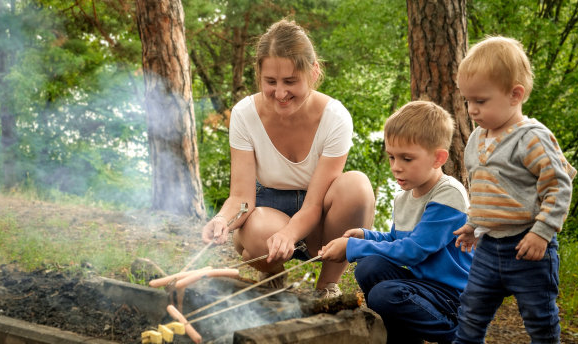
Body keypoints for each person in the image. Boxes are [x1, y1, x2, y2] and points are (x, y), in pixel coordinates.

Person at [200, 19, 375, 298]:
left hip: (318, 217)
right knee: (257, 233)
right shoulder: (245, 114)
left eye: (290, 81)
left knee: (358, 187)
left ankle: (326, 285)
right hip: (268, 211)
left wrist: (290, 235)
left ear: (314, 72)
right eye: (271, 82)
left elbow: (314, 205)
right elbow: (242, 198)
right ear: (259, 75)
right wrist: (222, 219)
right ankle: (271, 273)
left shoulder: (335, 117)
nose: (280, 93)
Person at [453, 36, 577, 344]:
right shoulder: (476, 139)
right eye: (467, 100)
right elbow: (483, 190)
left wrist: (542, 231)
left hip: (529, 248)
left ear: (515, 94)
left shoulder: (532, 138)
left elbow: (559, 186)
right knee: (470, 313)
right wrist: (473, 223)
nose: (471, 110)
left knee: (540, 319)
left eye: (480, 101)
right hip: (488, 248)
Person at [320, 100, 473, 344]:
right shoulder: (404, 196)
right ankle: (404, 337)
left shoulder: (448, 194)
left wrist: (351, 249)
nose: (396, 167)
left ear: (437, 158)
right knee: (370, 267)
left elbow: (413, 251)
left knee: (384, 294)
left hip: (452, 297)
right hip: (423, 288)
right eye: (391, 157)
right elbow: (396, 239)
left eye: (406, 159)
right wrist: (366, 236)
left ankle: (458, 333)